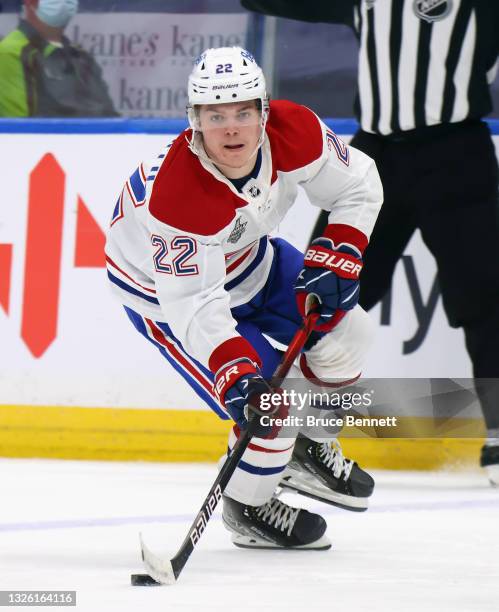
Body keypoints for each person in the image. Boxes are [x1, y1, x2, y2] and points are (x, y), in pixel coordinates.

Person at [105, 46, 382, 549]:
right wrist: (234, 369)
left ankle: (307, 448)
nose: (231, 128)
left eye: (242, 112)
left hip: (253, 262)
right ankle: (247, 506)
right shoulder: (177, 194)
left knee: (350, 333)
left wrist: (343, 245)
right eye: (215, 115)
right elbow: (193, 303)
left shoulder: (293, 131)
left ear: (263, 111)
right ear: (195, 121)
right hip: (166, 300)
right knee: (268, 410)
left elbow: (359, 183)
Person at [242, 0, 499, 486]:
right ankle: (287, 432)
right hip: (377, 159)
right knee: (317, 292)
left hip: (457, 154)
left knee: (486, 297)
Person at [0, 0, 118, 117]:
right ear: (30, 2)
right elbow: (24, 128)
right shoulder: (10, 53)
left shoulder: (80, 56)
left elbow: (111, 118)